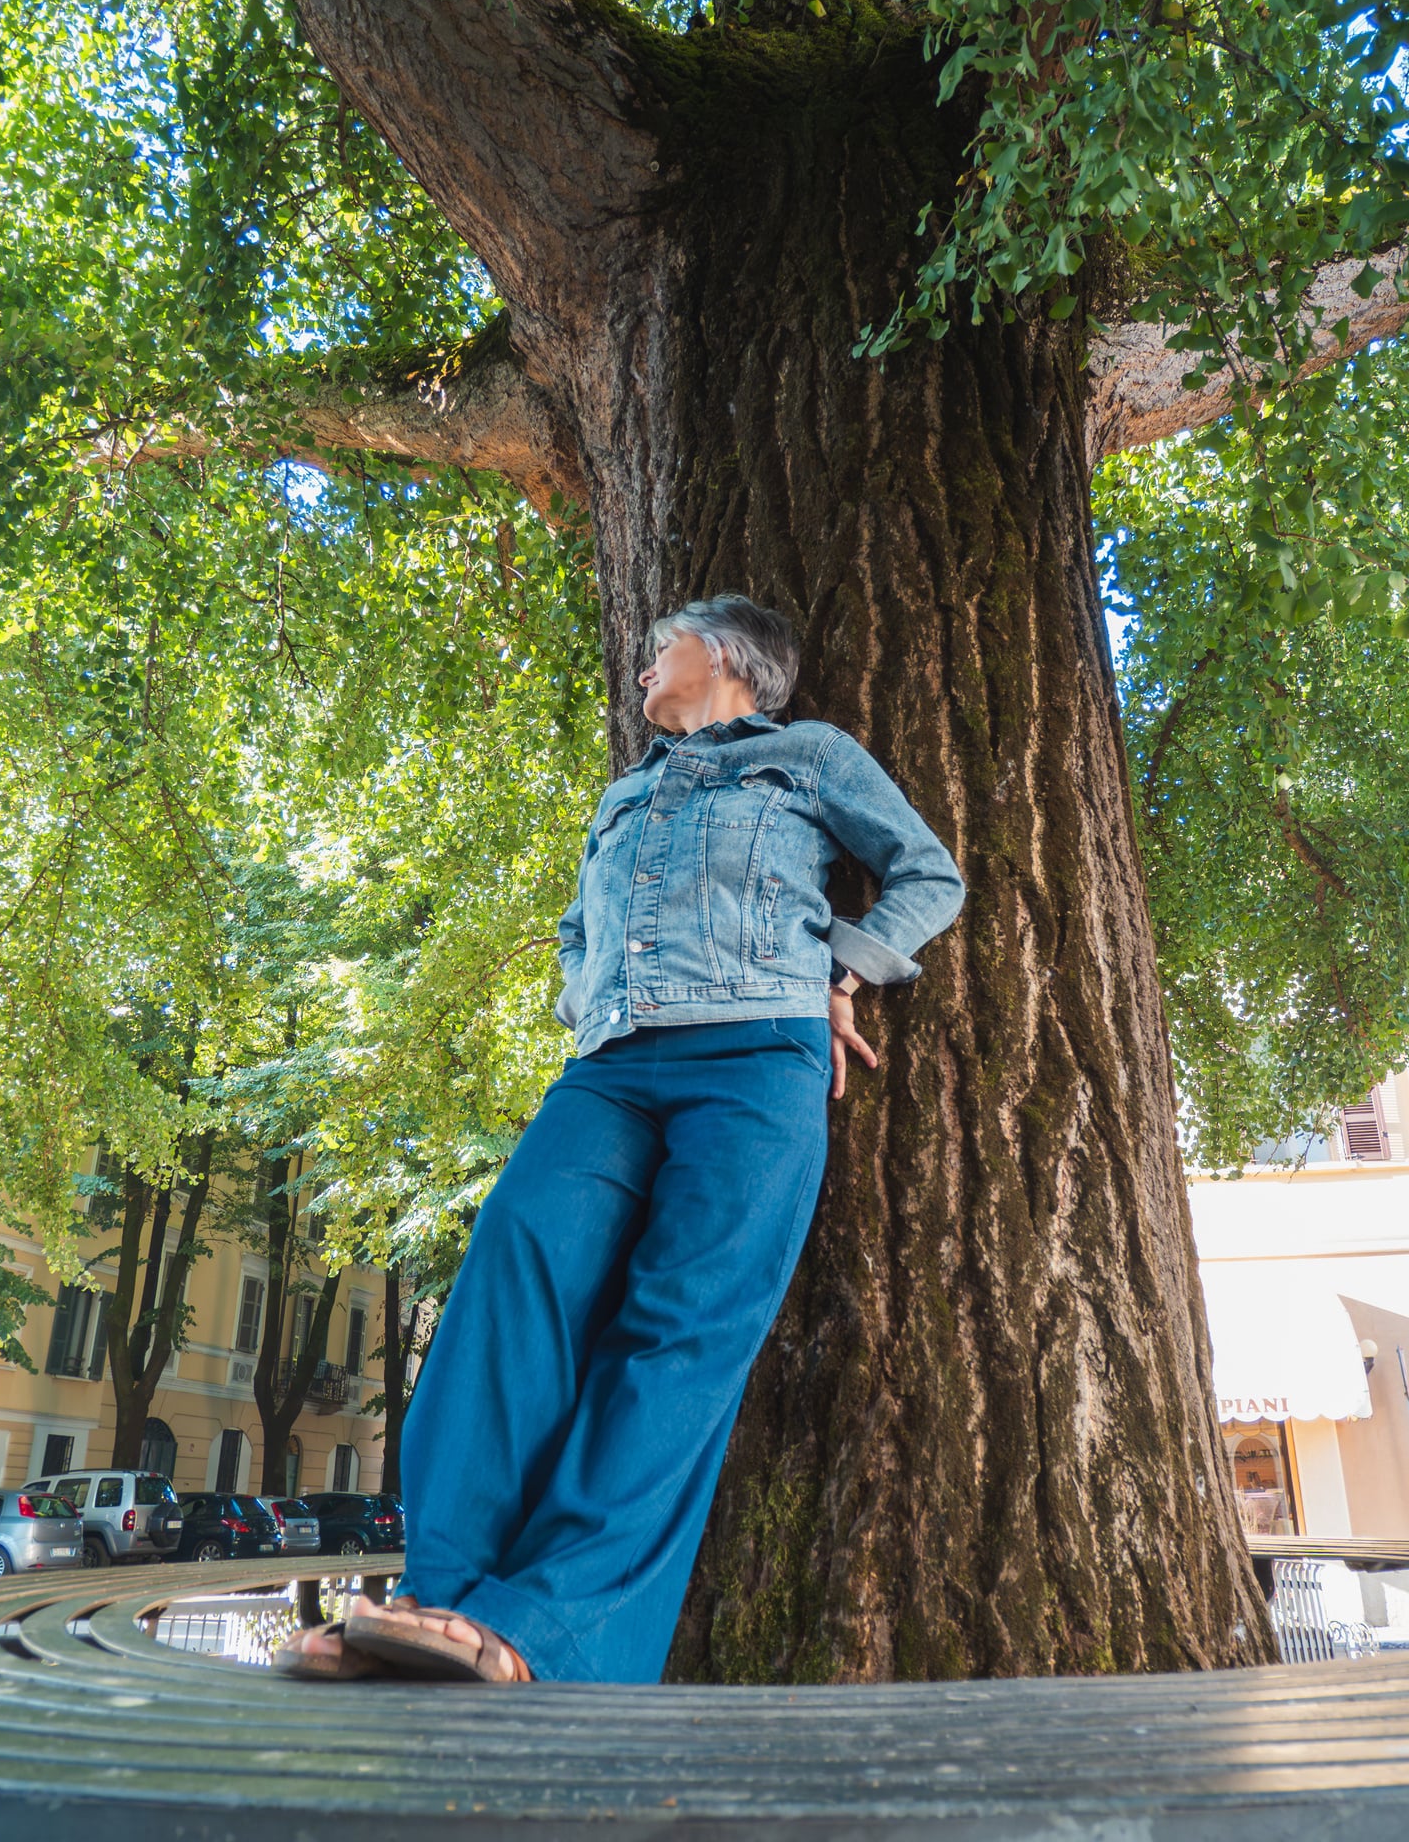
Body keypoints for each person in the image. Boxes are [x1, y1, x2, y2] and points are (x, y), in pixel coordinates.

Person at [277, 594, 964, 1683]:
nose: (646, 662)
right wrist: (583, 991)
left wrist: (842, 969)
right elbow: (576, 927)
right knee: (512, 1266)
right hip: (610, 1066)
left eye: (665, 645)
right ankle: (437, 1596)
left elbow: (930, 872)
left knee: (680, 1329)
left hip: (755, 1057)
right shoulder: (626, 789)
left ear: (730, 655)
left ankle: (542, 1627)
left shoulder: (807, 754)